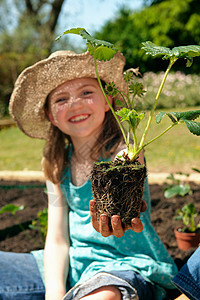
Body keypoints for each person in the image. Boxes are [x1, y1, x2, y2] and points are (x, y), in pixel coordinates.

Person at [0, 50, 178, 300]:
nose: (75, 103)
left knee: (105, 294)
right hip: (76, 265)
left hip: (124, 266)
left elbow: (126, 174)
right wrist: (55, 292)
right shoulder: (54, 163)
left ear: (108, 102)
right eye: (61, 99)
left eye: (86, 92)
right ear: (51, 116)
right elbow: (58, 238)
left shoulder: (125, 152)